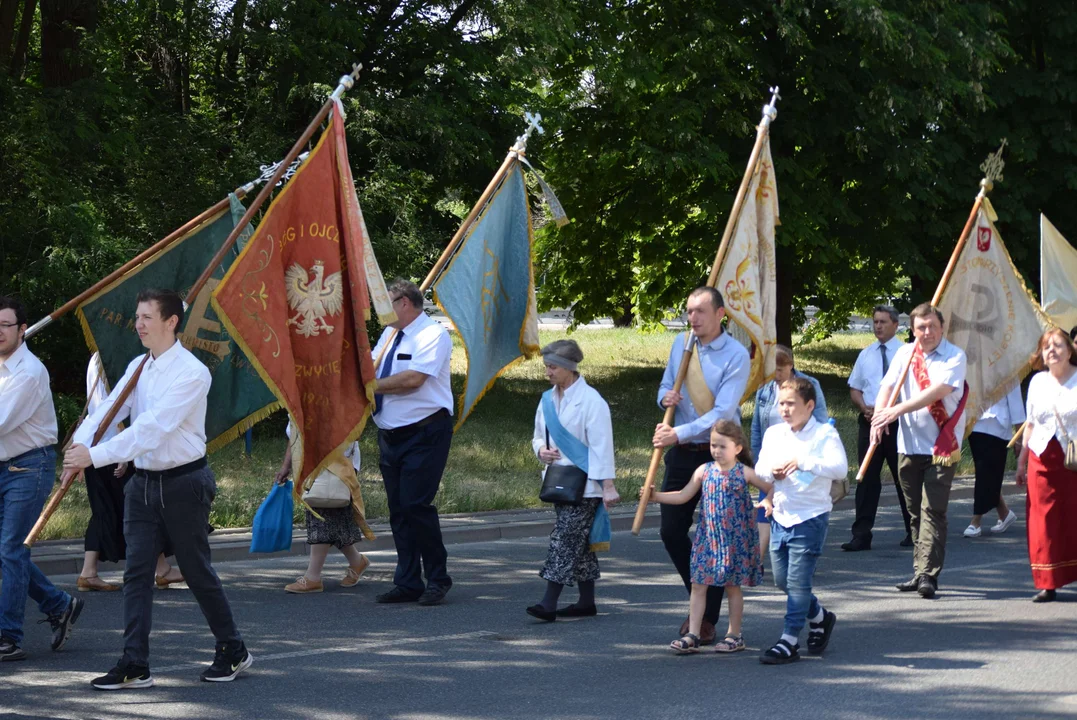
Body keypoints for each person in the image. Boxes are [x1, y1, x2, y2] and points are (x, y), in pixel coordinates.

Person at [65, 288, 251, 689]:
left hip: (185, 483)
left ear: (172, 322)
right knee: (136, 575)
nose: (139, 324)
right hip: (142, 485)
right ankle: (135, 663)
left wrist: (95, 457)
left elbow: (154, 428)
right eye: (137, 317)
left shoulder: (192, 373)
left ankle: (233, 648)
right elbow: (109, 412)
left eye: (147, 317)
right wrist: (81, 445)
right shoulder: (138, 366)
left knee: (197, 572)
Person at [653, 286, 750, 645]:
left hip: (718, 454)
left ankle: (706, 619)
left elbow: (723, 411)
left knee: (717, 537)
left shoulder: (737, 355)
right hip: (682, 450)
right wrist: (665, 397)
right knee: (671, 531)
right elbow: (665, 384)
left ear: (720, 314)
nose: (692, 318)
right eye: (689, 311)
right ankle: (705, 597)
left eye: (700, 312)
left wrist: (678, 432)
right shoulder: (682, 344)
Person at [0, 295, 84, 662]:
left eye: (6, 325)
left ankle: (8, 636)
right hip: (4, 465)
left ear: (22, 330)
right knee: (6, 553)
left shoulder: (29, 372)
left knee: (11, 550)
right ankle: (58, 604)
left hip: (28, 468)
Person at [872, 303, 967, 599]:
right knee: (914, 513)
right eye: (920, 328)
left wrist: (897, 410)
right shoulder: (905, 353)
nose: (927, 333)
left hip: (941, 446)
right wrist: (879, 417)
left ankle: (929, 574)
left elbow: (938, 391)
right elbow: (887, 387)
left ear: (942, 327)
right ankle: (919, 570)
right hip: (909, 445)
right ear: (912, 330)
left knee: (933, 511)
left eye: (932, 327)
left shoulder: (955, 356)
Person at [650, 420, 770, 654]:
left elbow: (770, 487)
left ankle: (734, 635)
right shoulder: (704, 471)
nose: (716, 450)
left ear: (737, 448)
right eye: (714, 445)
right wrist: (656, 497)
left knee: (733, 587)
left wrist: (766, 501)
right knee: (698, 584)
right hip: (708, 539)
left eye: (722, 446)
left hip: (734, 541)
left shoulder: (744, 473)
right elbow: (683, 495)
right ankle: (693, 633)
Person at [370, 279, 454, 606]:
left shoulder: (433, 335)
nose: (381, 311)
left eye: (385, 303)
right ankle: (407, 582)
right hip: (391, 434)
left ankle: (438, 578)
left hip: (425, 432)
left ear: (405, 302)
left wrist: (369, 385)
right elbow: (371, 367)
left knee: (415, 505)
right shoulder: (389, 334)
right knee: (398, 511)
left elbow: (413, 380)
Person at [755, 377, 847, 665]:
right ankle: (820, 616)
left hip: (811, 517)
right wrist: (772, 473)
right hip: (780, 515)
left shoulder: (823, 435)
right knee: (783, 581)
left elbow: (840, 468)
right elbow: (760, 469)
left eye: (791, 403)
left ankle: (789, 640)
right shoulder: (774, 434)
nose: (784, 409)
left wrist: (804, 462)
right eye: (781, 403)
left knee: (797, 583)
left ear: (809, 406)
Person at [527, 340, 619, 622]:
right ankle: (586, 602)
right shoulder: (547, 400)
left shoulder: (592, 402)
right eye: (546, 367)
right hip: (557, 481)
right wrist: (540, 450)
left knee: (564, 540)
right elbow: (538, 436)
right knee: (578, 544)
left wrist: (607, 486)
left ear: (568, 368)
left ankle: (548, 603)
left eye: (552, 367)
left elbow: (602, 446)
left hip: (586, 487)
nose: (548, 372)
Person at [77, 353, 183, 592]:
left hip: (95, 445)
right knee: (140, 510)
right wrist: (124, 455)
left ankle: (88, 571)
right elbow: (114, 409)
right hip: (112, 448)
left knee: (105, 509)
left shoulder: (96, 357)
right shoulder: (111, 355)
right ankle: (161, 569)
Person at [842, 305, 913, 551]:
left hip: (897, 423)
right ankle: (861, 535)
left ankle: (913, 531)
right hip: (870, 422)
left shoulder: (907, 353)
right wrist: (864, 407)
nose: (878, 326)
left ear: (896, 324)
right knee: (866, 479)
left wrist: (892, 410)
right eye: (875, 322)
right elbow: (855, 388)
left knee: (904, 478)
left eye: (883, 322)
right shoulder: (866, 354)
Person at [750, 344, 827, 564]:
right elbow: (757, 427)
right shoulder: (764, 388)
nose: (775, 375)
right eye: (771, 370)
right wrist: (759, 462)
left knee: (795, 504)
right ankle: (758, 563)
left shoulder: (810, 385)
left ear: (790, 366)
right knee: (765, 507)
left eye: (779, 370)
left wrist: (807, 458)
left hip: (799, 457)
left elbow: (821, 422)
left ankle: (798, 557)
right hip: (773, 455)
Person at [1016, 328, 1077, 602]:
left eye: (1058, 345)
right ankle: (1047, 582)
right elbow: (1030, 423)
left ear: (1070, 350)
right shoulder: (1037, 382)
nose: (1051, 350)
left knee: (1071, 519)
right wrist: (1021, 460)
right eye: (1046, 346)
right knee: (1042, 522)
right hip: (1040, 457)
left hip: (1071, 459)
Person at [276, 423, 369, 593]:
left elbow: (355, 427)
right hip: (310, 461)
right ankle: (356, 560)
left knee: (320, 512)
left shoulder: (341, 396)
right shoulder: (299, 396)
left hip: (338, 461)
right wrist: (286, 466)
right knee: (332, 517)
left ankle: (313, 577)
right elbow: (294, 434)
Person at [963, 386, 1022, 538]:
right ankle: (1004, 513)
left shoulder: (1007, 365)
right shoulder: (974, 363)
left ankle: (975, 521)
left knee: (985, 472)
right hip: (975, 421)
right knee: (986, 473)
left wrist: (1019, 439)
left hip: (997, 424)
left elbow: (1016, 403)